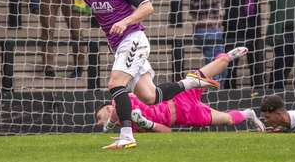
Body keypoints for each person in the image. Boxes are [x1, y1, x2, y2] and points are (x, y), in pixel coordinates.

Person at [15, 0, 220, 150]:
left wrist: (126, 21)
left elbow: (148, 6)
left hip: (133, 39)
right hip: (121, 45)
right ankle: (191, 82)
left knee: (115, 84)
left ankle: (126, 136)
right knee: (150, 96)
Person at [95, 47, 266, 133]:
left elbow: (116, 111)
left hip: (178, 97)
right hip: (187, 115)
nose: (98, 122)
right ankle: (248, 114)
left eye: (98, 117)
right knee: (228, 120)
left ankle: (228, 56)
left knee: (217, 66)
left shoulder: (120, 102)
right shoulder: (130, 128)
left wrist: (107, 126)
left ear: (108, 108)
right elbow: (167, 131)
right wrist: (145, 124)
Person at [222, 0, 263, 89]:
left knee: (256, 61)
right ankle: (229, 90)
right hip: (235, 23)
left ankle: (258, 92)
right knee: (232, 61)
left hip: (253, 23)